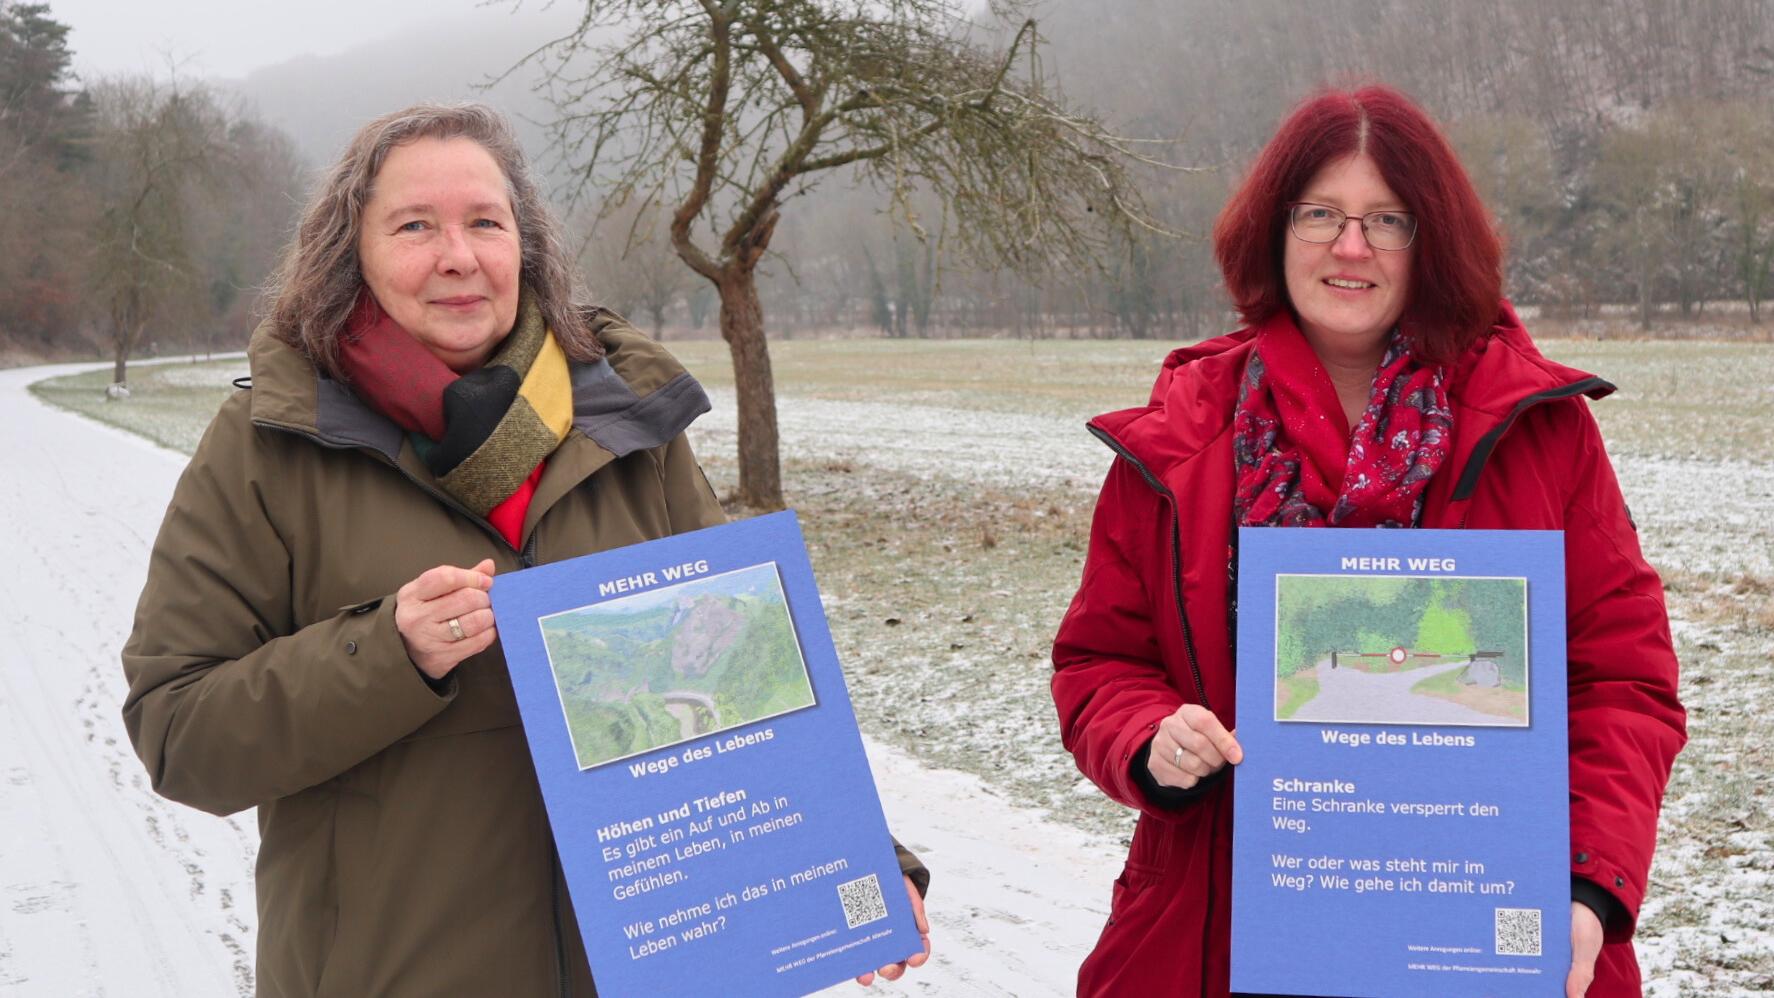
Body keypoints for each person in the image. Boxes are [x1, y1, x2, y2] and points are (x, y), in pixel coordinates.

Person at [121, 103, 930, 996]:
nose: (457, 255)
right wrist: (386, 654)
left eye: (484, 223)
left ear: (526, 246)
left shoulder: (628, 423)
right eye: (415, 225)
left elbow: (756, 676)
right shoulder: (269, 444)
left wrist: (855, 856)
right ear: (351, 254)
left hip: (649, 968)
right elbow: (178, 733)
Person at [1051, 85, 1685, 998]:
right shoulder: (1180, 437)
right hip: (1223, 933)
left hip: (1479, 926)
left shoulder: (1539, 430)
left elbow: (1623, 680)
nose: (1351, 247)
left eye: (1389, 220)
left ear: (1434, 243)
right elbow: (1099, 661)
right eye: (1321, 214)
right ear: (1274, 229)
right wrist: (1148, 736)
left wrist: (1588, 881)